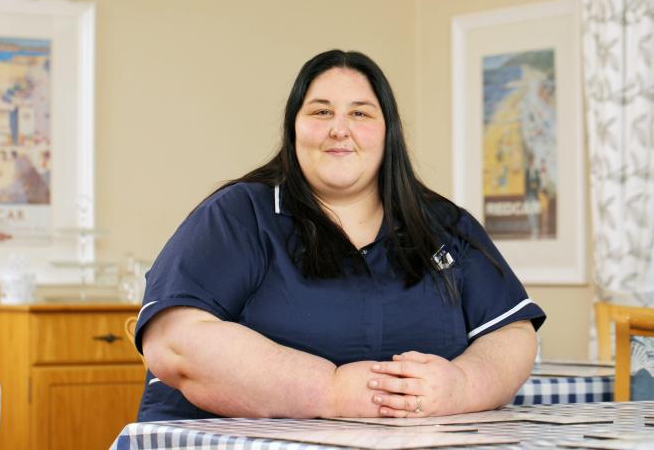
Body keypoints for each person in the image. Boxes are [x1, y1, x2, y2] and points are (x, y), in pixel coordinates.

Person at [134, 50, 545, 421]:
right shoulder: (239, 215)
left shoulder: (443, 224)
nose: (339, 129)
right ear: (293, 127)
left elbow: (512, 334)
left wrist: (463, 386)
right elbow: (174, 342)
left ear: (389, 133)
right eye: (320, 112)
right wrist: (331, 391)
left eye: (361, 114)